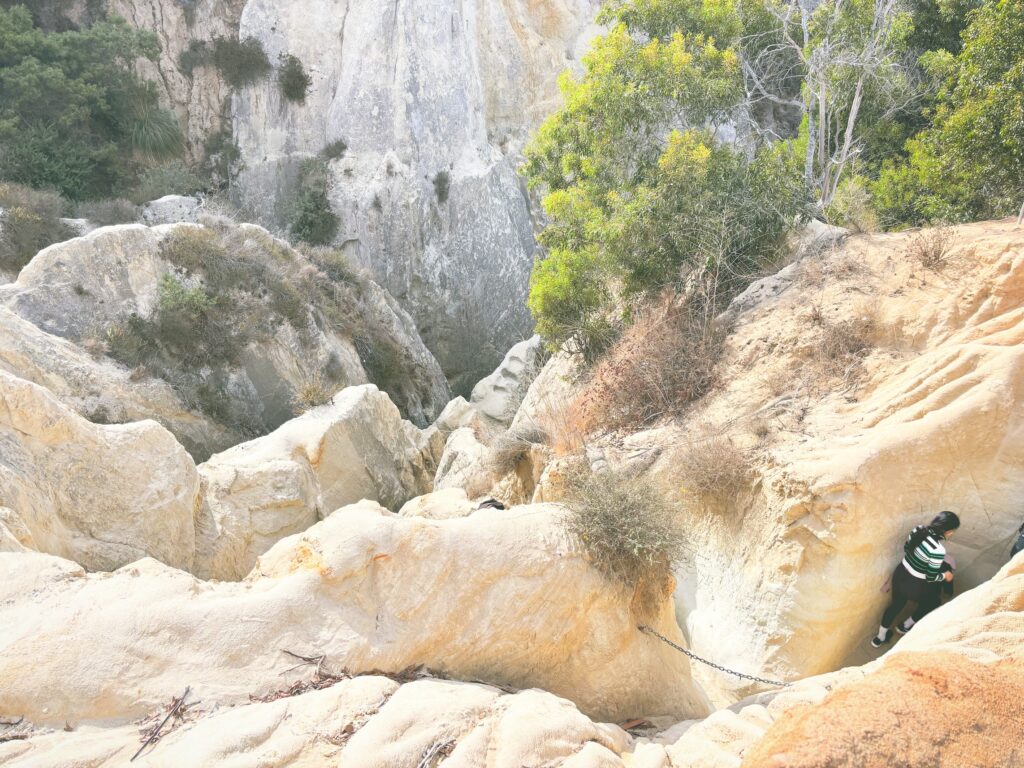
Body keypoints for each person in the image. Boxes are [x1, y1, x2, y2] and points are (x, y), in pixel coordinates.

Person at [871, 511, 960, 648]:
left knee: (896, 605)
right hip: (915, 584)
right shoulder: (937, 550)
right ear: (946, 531)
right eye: (952, 531)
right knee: (933, 601)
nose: (952, 534)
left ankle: (879, 638)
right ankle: (905, 626)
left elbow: (907, 548)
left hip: (900, 574)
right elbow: (931, 577)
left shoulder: (917, 529)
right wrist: (946, 575)